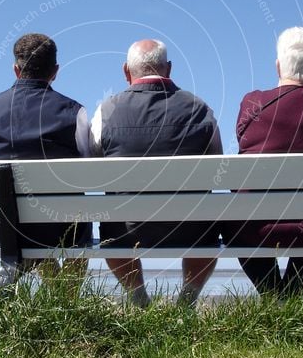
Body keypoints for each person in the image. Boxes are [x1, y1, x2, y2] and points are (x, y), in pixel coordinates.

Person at [90, 39, 222, 307]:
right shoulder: (200, 110)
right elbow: (215, 165)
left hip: (126, 231)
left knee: (110, 229)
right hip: (191, 229)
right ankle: (185, 304)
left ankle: (140, 302)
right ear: (169, 69)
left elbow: (94, 165)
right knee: (207, 222)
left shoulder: (105, 112)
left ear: (126, 71)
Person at [222, 26, 303, 298]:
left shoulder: (251, 102)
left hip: (252, 229)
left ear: (278, 65)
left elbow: (243, 139)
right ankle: (290, 294)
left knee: (236, 218)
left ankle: (272, 296)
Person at [0, 33, 92, 289]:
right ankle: (66, 303)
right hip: (60, 230)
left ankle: (57, 298)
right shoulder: (74, 113)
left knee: (28, 225)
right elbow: (88, 167)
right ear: (55, 71)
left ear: (16, 69)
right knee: (76, 226)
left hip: (0, 228)